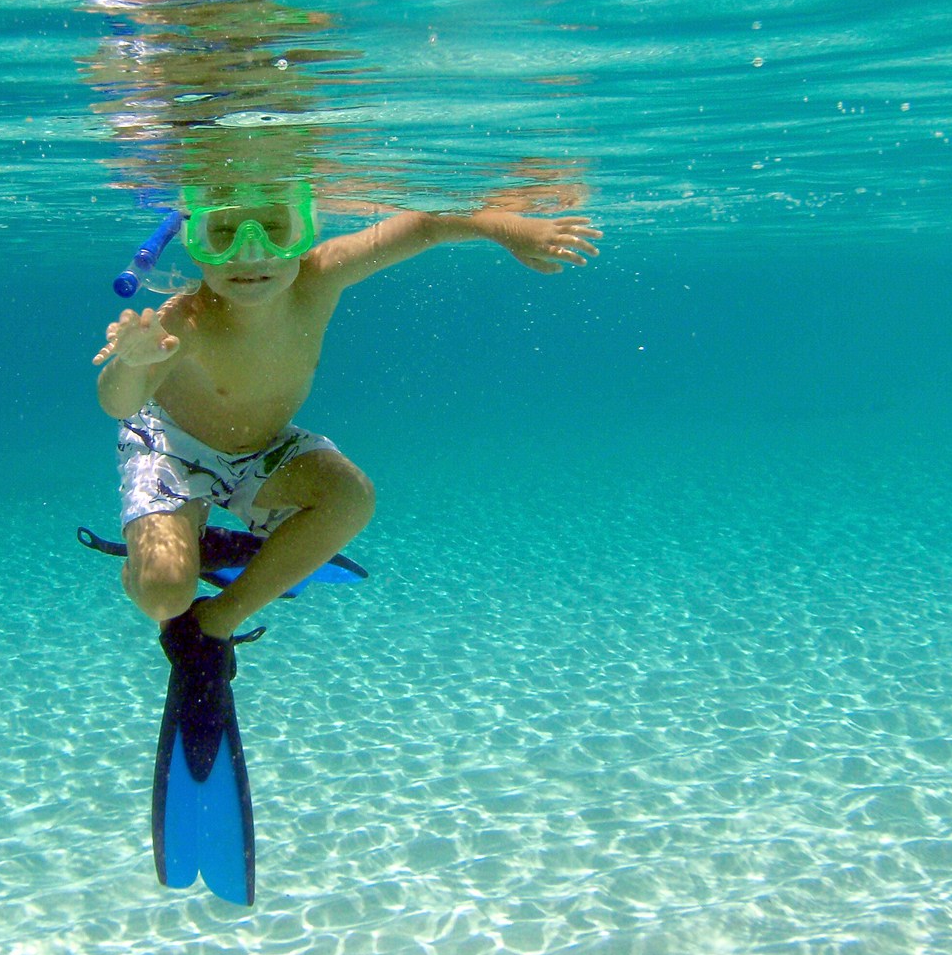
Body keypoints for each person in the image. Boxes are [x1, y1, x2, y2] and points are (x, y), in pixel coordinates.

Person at [92, 182, 603, 643]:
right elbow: (118, 403)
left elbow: (425, 225)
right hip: (173, 448)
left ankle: (216, 623)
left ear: (305, 231)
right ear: (193, 243)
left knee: (349, 497)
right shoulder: (186, 317)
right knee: (163, 595)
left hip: (263, 450)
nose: (251, 253)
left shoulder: (319, 276)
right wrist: (131, 363)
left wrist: (510, 230)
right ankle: (160, 560)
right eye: (221, 235)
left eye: (275, 229)